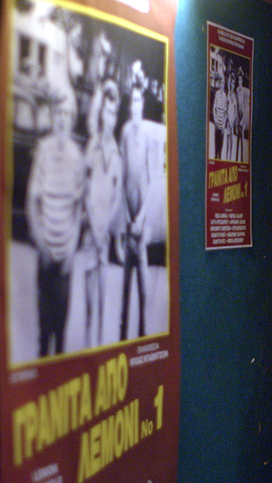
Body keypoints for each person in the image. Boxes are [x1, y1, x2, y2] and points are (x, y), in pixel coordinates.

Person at [25, 88, 85, 357]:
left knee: (60, 333)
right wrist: (40, 241)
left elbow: (78, 208)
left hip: (66, 256)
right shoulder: (43, 150)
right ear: (52, 116)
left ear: (72, 119)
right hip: (45, 252)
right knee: (43, 331)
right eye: (58, 112)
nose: (62, 118)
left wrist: (71, 249)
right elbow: (31, 201)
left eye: (67, 113)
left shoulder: (77, 157)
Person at [82, 79, 123, 348]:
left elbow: (117, 195)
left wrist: (105, 226)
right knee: (88, 300)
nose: (110, 118)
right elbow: (86, 190)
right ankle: (87, 342)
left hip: (104, 233)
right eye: (107, 112)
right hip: (91, 231)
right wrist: (94, 227)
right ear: (101, 114)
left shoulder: (117, 154)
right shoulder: (92, 145)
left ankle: (98, 341)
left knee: (102, 297)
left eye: (114, 113)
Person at [119, 81, 152, 340]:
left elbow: (151, 184)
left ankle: (143, 337)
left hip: (142, 228)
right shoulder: (125, 133)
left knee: (144, 292)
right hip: (128, 227)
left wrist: (140, 218)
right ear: (130, 106)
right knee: (124, 291)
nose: (136, 105)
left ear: (143, 105)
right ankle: (122, 338)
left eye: (139, 101)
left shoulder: (148, 136)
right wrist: (128, 220)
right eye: (133, 101)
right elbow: (121, 179)